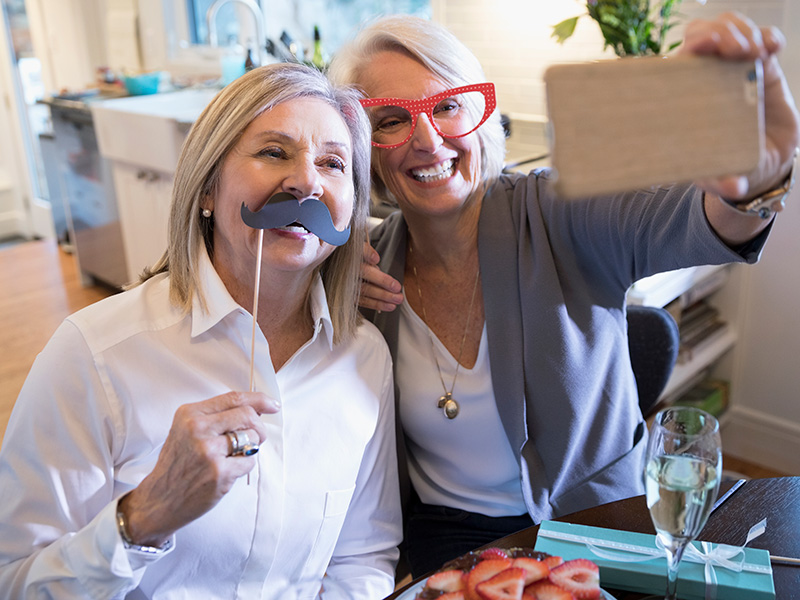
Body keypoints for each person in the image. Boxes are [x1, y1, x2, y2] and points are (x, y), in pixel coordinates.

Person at [328, 12, 800, 577]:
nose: (428, 141)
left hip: (594, 526)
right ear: (365, 148)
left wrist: (754, 184)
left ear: (478, 114)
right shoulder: (366, 270)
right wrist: (321, 274)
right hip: (441, 540)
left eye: (447, 106)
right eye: (390, 121)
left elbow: (691, 220)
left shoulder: (558, 211)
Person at [0, 62, 401, 599]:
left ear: (351, 210)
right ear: (208, 190)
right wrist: (144, 517)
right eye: (274, 152)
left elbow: (363, 557)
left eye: (333, 164)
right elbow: (16, 583)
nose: (307, 180)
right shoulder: (94, 354)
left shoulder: (364, 358)